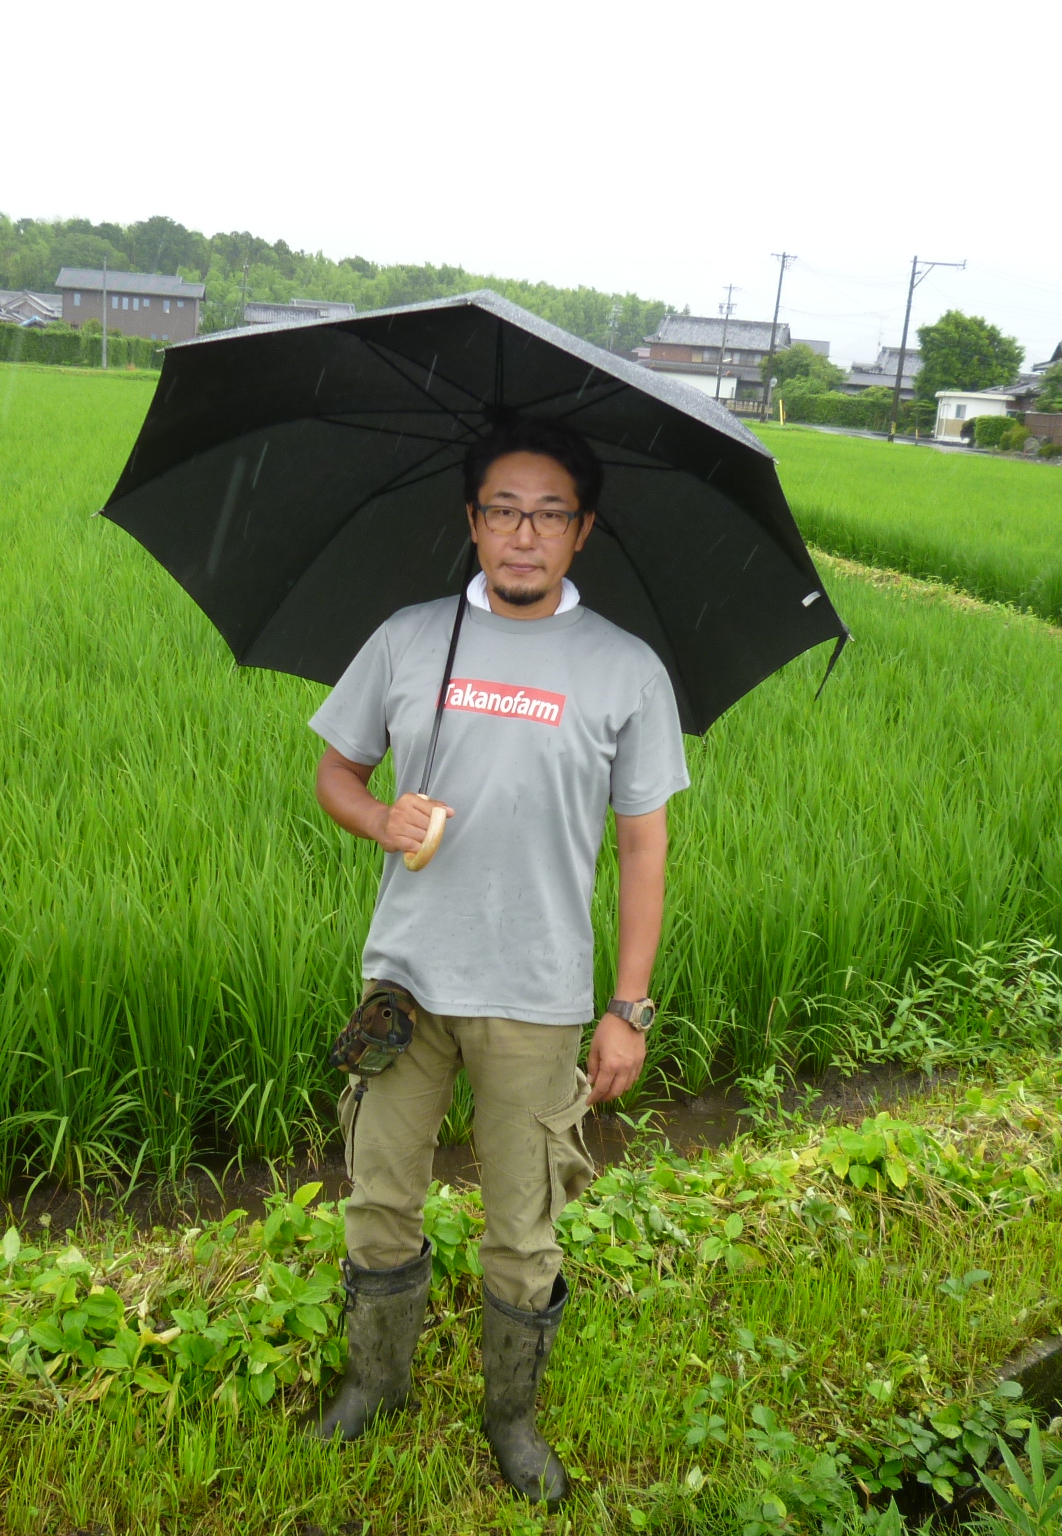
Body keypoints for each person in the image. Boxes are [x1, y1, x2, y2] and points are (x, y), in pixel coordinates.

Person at [306, 416, 688, 1503]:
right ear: (471, 523)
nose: (525, 532)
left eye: (549, 512)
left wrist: (628, 1007)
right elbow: (335, 772)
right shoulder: (408, 637)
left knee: (522, 1230)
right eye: (504, 510)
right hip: (406, 983)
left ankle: (510, 1417)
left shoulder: (624, 669)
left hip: (535, 995)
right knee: (378, 1197)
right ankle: (373, 1385)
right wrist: (375, 819)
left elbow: (643, 843)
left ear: (582, 532)